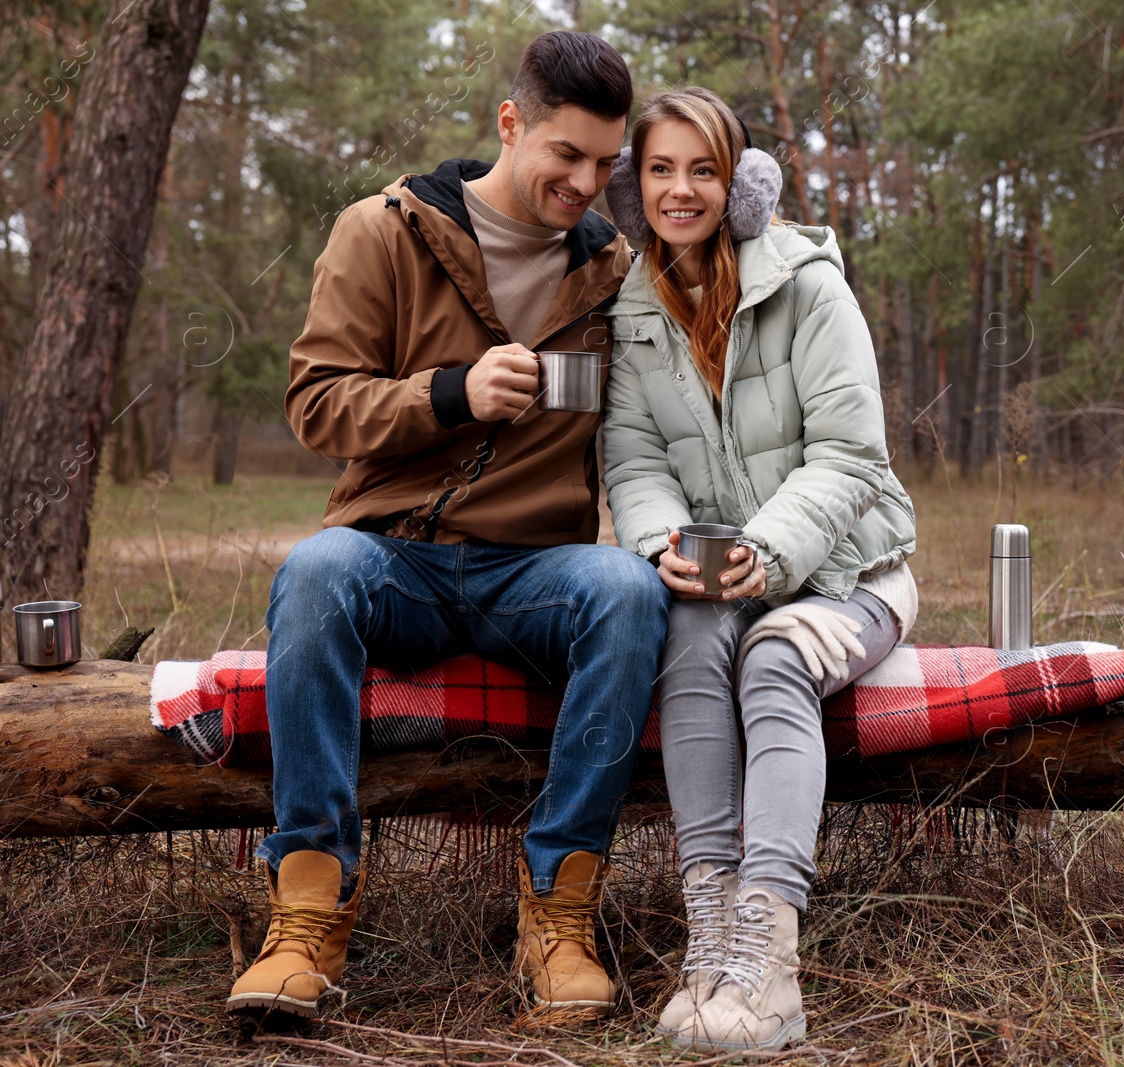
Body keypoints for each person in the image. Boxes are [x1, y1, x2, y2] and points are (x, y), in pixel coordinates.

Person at [225, 31, 669, 1024]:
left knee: (627, 591)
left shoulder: (611, 269)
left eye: (606, 164)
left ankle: (557, 911)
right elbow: (316, 405)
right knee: (314, 570)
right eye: (567, 154)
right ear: (512, 124)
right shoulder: (383, 231)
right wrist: (449, 393)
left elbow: (656, 422)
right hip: (394, 555)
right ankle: (308, 911)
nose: (585, 183)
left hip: (538, 569)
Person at [601, 87, 918, 1052]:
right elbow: (634, 459)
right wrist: (663, 546)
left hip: (852, 569)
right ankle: (712, 935)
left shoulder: (810, 286)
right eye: (660, 169)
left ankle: (770, 961)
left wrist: (771, 551)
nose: (680, 190)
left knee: (775, 659)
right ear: (635, 185)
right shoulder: (634, 304)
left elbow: (852, 457)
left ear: (738, 185)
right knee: (690, 648)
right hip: (715, 574)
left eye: (703, 170)